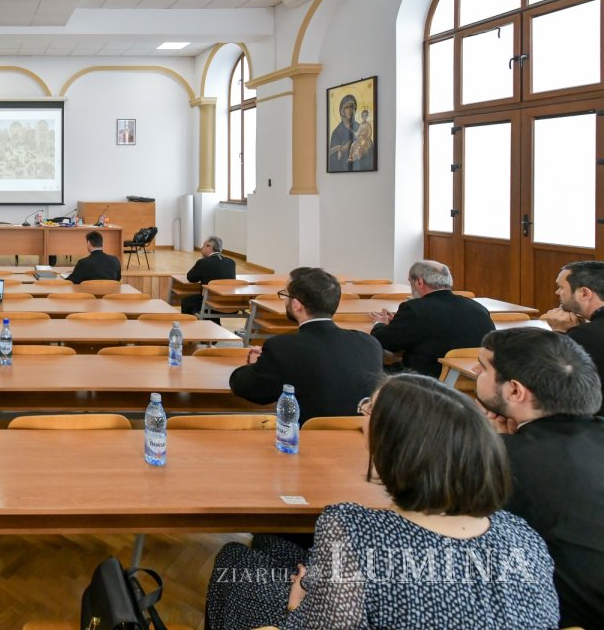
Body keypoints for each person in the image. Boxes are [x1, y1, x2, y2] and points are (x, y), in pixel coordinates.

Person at [207, 373, 560, 630]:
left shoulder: (352, 526)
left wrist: (298, 602)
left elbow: (325, 623)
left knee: (234, 563)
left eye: (369, 411)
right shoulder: (522, 533)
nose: (363, 419)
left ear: (394, 446)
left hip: (331, 608)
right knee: (271, 542)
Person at [475, 327, 604, 628]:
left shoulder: (499, 460)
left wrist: (498, 448)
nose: (473, 372)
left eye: (483, 368)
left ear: (515, 391)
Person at [229, 267, 382, 423]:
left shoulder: (282, 348)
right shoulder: (370, 344)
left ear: (297, 305)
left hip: (305, 441)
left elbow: (251, 390)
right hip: (359, 440)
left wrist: (256, 366)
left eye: (285, 294)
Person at [369, 259, 495, 379]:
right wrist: (399, 324)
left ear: (419, 282)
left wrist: (380, 324)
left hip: (423, 380)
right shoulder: (479, 309)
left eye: (410, 281)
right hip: (469, 380)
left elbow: (383, 342)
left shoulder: (415, 309)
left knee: (368, 368)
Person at [540, 260, 604, 412]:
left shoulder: (585, 334)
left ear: (584, 293)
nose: (557, 292)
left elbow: (553, 380)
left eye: (561, 287)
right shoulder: (587, 331)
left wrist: (560, 334)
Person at [179, 235, 236, 318]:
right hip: (231, 304)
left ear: (210, 247)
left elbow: (191, 278)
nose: (201, 248)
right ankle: (214, 324)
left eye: (204, 246)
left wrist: (202, 260)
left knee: (187, 302)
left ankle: (190, 328)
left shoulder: (204, 262)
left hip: (211, 302)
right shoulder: (231, 262)